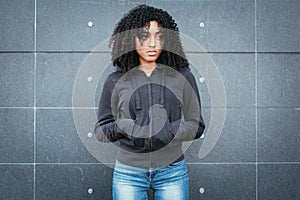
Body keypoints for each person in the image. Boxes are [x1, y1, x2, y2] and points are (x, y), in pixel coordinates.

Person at [94, 4, 205, 200]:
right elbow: (101, 130)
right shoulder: (115, 80)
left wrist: (169, 131)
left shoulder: (183, 76)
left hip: (171, 172)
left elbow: (197, 125)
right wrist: (126, 126)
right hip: (129, 172)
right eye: (145, 36)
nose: (152, 43)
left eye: (159, 36)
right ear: (132, 39)